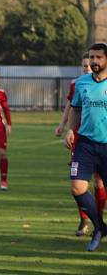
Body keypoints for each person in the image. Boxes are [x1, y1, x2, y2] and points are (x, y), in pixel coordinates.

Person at [56, 52, 106, 236]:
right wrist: (64, 126)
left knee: (99, 181)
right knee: (78, 184)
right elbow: (72, 106)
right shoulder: (78, 83)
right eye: (85, 64)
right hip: (80, 137)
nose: (88, 66)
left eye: (90, 63)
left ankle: (97, 222)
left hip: (101, 138)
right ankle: (85, 219)